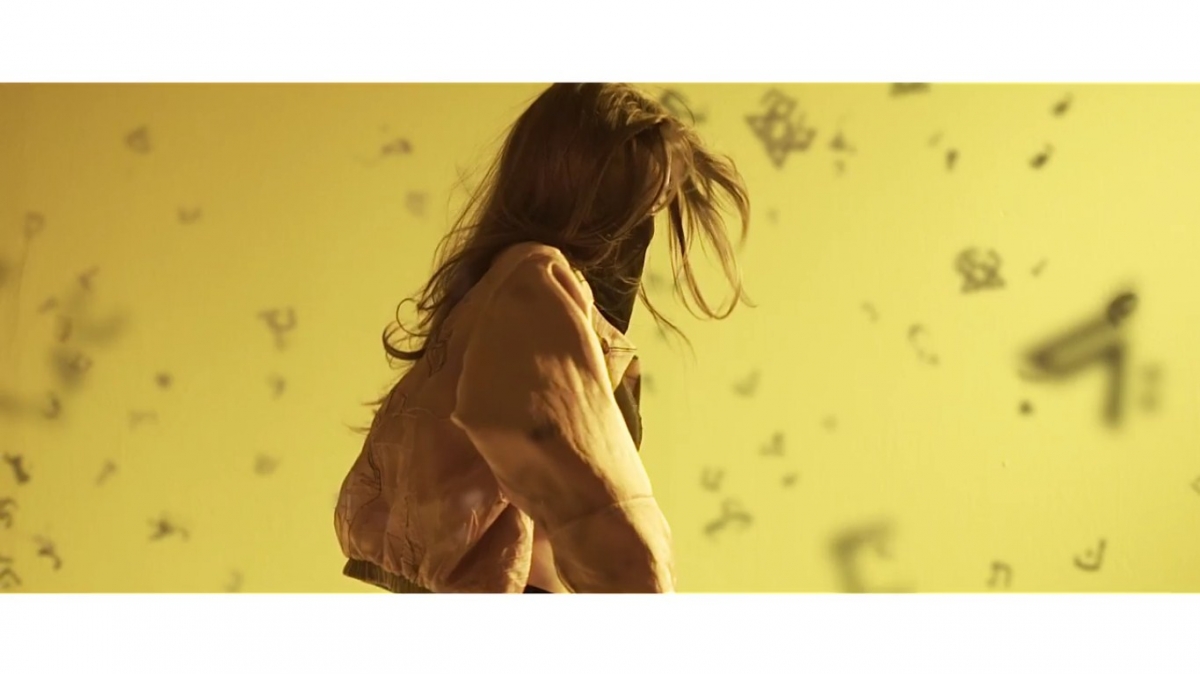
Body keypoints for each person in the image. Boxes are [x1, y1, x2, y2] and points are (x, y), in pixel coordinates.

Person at [334, 83, 752, 593]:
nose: (642, 227)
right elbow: (572, 455)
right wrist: (639, 579)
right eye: (637, 199)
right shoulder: (530, 285)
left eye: (655, 204)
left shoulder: (496, 295)